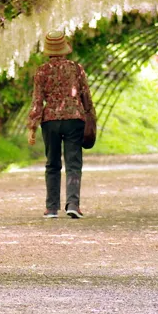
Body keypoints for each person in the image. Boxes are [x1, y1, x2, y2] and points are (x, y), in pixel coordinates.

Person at [27, 31, 95, 219]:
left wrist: (32, 126)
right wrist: (91, 118)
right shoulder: (76, 68)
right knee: (73, 163)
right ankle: (73, 204)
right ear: (64, 49)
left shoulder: (42, 71)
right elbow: (85, 96)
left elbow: (37, 101)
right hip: (74, 119)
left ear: (48, 51)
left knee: (52, 164)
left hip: (50, 121)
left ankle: (51, 208)